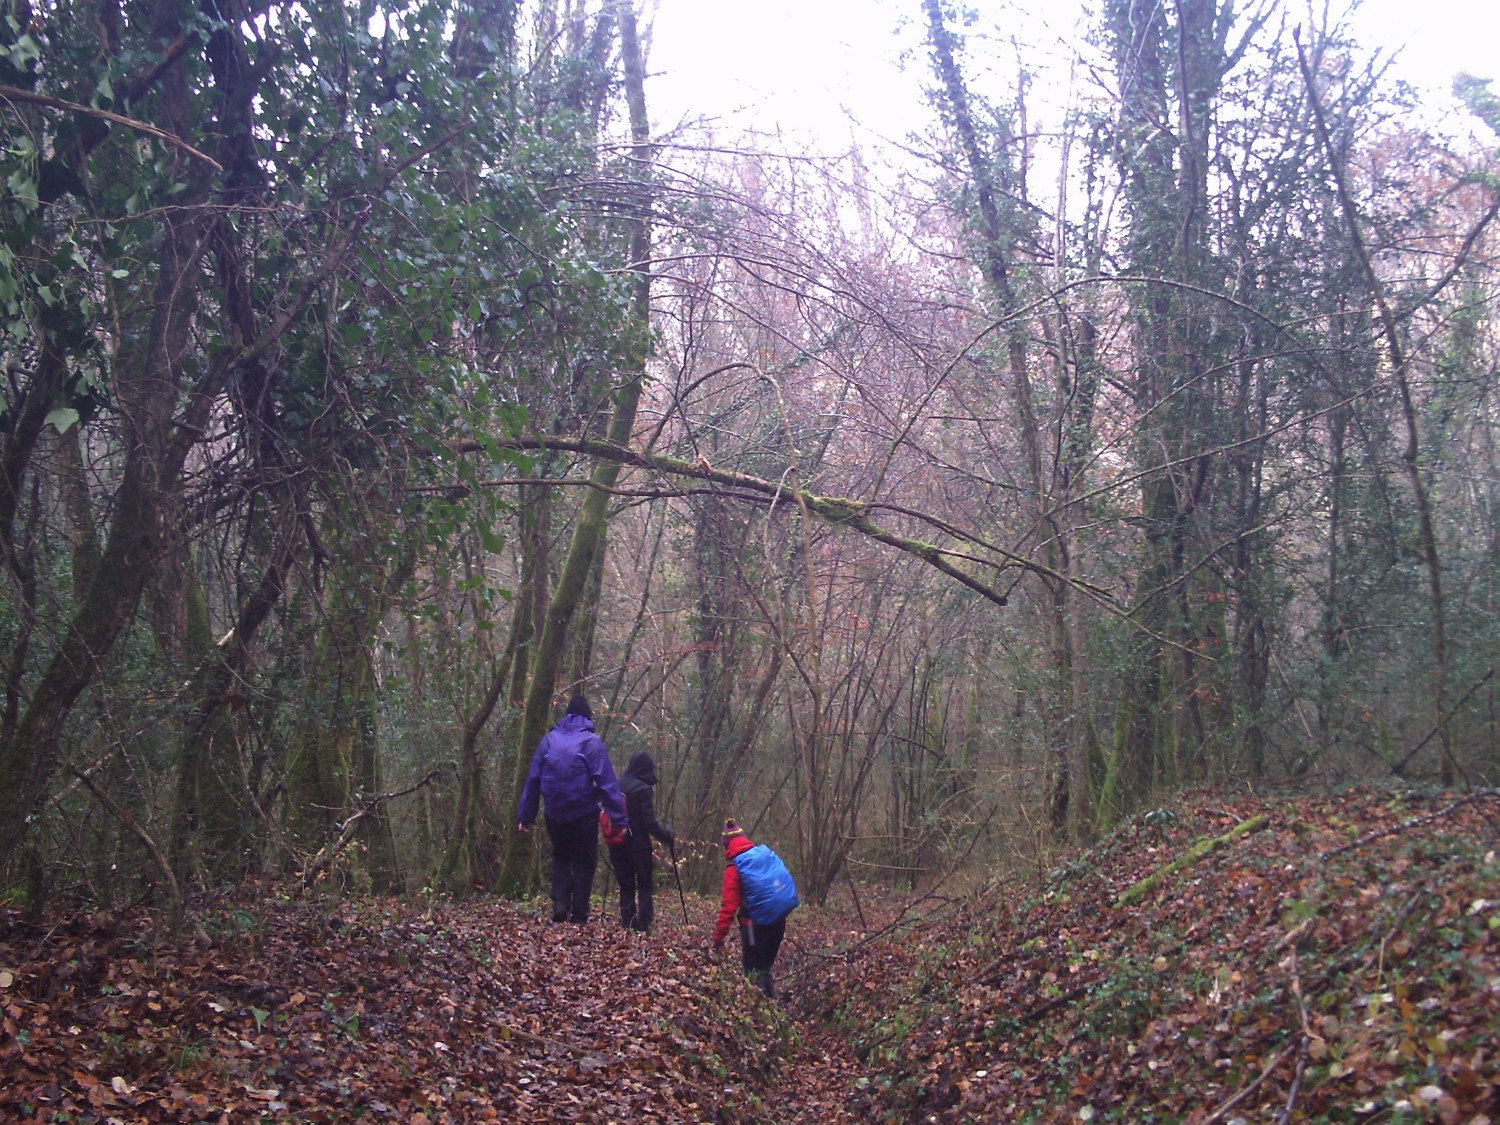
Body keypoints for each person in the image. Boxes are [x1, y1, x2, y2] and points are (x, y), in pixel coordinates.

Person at [516, 694, 629, 924]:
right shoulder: (591, 742)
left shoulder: (549, 740)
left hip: (554, 813)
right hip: (584, 813)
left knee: (561, 856)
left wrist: (526, 816)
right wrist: (619, 819)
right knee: (585, 861)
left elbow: (533, 779)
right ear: (588, 717)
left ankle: (560, 902)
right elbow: (607, 784)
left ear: (567, 715)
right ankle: (579, 912)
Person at [712, 818, 796, 997]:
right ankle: (773, 1006)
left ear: (726, 845)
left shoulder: (734, 869)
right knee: (765, 968)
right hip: (779, 920)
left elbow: (728, 907)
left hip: (753, 926)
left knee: (753, 971)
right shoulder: (763, 854)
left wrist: (719, 938)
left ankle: (760, 1008)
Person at [607, 752, 675, 932]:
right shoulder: (643, 789)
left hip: (616, 843)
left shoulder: (616, 785)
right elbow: (649, 822)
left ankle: (628, 921)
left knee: (625, 885)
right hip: (639, 846)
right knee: (644, 883)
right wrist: (666, 836)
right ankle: (644, 922)